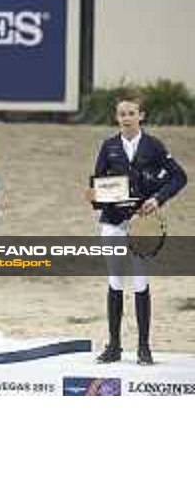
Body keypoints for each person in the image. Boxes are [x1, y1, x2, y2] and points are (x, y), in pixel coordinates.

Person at [89, 88, 187, 365]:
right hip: (113, 222)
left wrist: (157, 199)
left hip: (143, 226)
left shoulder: (153, 146)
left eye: (131, 113)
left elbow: (179, 177)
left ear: (141, 116)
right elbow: (97, 183)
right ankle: (114, 346)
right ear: (116, 117)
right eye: (122, 114)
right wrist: (98, 197)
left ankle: (143, 347)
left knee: (140, 281)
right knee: (115, 280)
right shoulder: (108, 146)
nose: (126, 118)